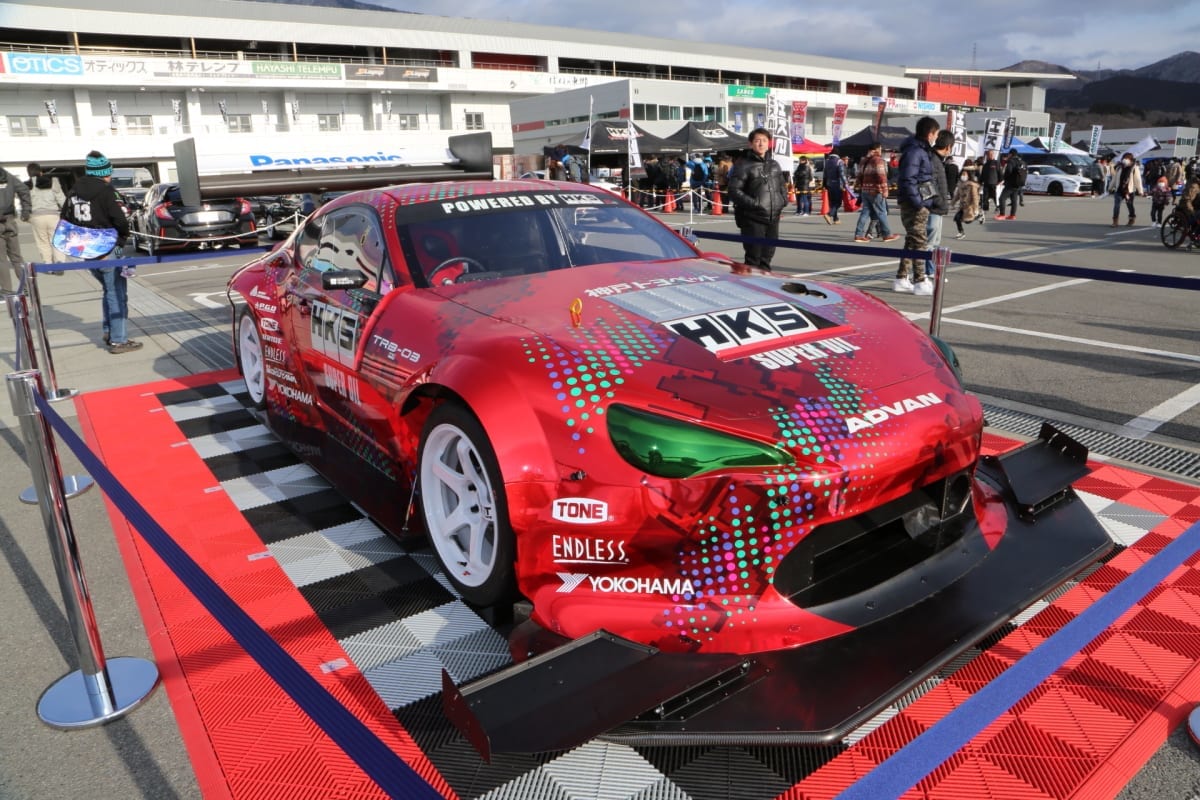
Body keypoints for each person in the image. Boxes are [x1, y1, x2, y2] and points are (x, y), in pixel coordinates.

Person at [61, 150, 140, 354]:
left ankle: (108, 331)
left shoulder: (73, 192)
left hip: (86, 249)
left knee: (108, 290)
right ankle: (119, 340)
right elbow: (120, 220)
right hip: (107, 248)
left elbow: (65, 219)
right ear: (105, 172)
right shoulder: (106, 191)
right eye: (109, 172)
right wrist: (122, 239)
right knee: (117, 294)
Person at [727, 127, 788, 270]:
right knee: (753, 257)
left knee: (767, 256)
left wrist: (782, 201)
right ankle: (751, 282)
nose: (761, 144)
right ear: (750, 143)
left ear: (769, 143)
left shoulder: (774, 164)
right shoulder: (743, 165)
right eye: (757, 140)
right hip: (752, 218)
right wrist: (755, 204)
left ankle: (766, 280)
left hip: (773, 217)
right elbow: (734, 190)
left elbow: (782, 186)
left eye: (764, 140)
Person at [894, 115, 940, 296]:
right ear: (930, 134)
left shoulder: (919, 150)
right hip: (915, 203)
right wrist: (918, 203)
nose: (936, 138)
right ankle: (920, 280)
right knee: (920, 241)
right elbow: (908, 179)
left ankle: (901, 277)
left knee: (912, 240)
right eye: (936, 134)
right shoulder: (916, 151)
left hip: (917, 201)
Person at [852, 143, 898, 243]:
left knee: (865, 212)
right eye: (880, 149)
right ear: (877, 149)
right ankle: (887, 234)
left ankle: (858, 234)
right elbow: (882, 176)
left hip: (865, 190)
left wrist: (862, 186)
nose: (881, 151)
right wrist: (885, 190)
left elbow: (859, 176)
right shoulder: (878, 160)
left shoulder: (863, 160)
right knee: (882, 212)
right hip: (876, 191)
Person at [923, 130, 954, 276]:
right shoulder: (933, 160)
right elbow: (927, 184)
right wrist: (939, 202)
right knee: (930, 242)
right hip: (933, 207)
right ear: (948, 147)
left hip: (935, 207)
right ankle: (928, 272)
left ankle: (930, 271)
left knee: (933, 242)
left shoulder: (935, 159)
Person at [0, 165, 33, 294]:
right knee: (16, 257)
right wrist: (26, 210)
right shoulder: (8, 176)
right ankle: (27, 287)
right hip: (9, 219)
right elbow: (24, 189)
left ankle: (7, 290)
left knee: (1, 259)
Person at [27, 171, 66, 271]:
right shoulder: (53, 182)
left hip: (36, 217)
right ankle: (59, 263)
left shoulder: (27, 185)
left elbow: (25, 202)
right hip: (53, 216)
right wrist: (65, 213)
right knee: (56, 240)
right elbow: (62, 200)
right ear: (41, 172)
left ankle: (48, 265)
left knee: (42, 242)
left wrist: (27, 216)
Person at [1108, 151, 1143, 227]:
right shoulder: (1119, 167)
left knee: (1130, 205)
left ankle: (1132, 218)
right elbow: (1115, 178)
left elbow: (1138, 180)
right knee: (1116, 206)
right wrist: (1110, 187)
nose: (1125, 160)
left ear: (1131, 160)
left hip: (1129, 191)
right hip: (1119, 190)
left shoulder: (1134, 168)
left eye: (1127, 158)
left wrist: (1140, 191)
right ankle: (1115, 221)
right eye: (1124, 158)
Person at [951, 168, 982, 239]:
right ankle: (961, 232)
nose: (963, 176)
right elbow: (957, 195)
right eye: (962, 174)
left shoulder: (972, 185)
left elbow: (975, 197)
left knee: (968, 221)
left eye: (965, 174)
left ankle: (979, 216)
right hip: (962, 206)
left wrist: (976, 209)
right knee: (957, 218)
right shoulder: (960, 185)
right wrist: (952, 203)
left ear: (968, 175)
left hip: (970, 206)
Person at [996, 147, 1025, 220]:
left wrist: (1004, 178)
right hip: (1018, 184)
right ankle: (1012, 215)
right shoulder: (1021, 162)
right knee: (1014, 200)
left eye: (1008, 154)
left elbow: (1008, 171)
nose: (1008, 156)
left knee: (1002, 198)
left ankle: (1002, 214)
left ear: (1010, 154)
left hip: (1010, 183)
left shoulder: (1011, 161)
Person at [822, 147, 846, 224]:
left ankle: (836, 219)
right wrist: (845, 183)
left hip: (829, 184)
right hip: (837, 184)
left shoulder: (827, 161)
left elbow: (825, 174)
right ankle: (829, 214)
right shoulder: (839, 161)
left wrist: (824, 184)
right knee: (838, 202)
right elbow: (842, 174)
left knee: (832, 202)